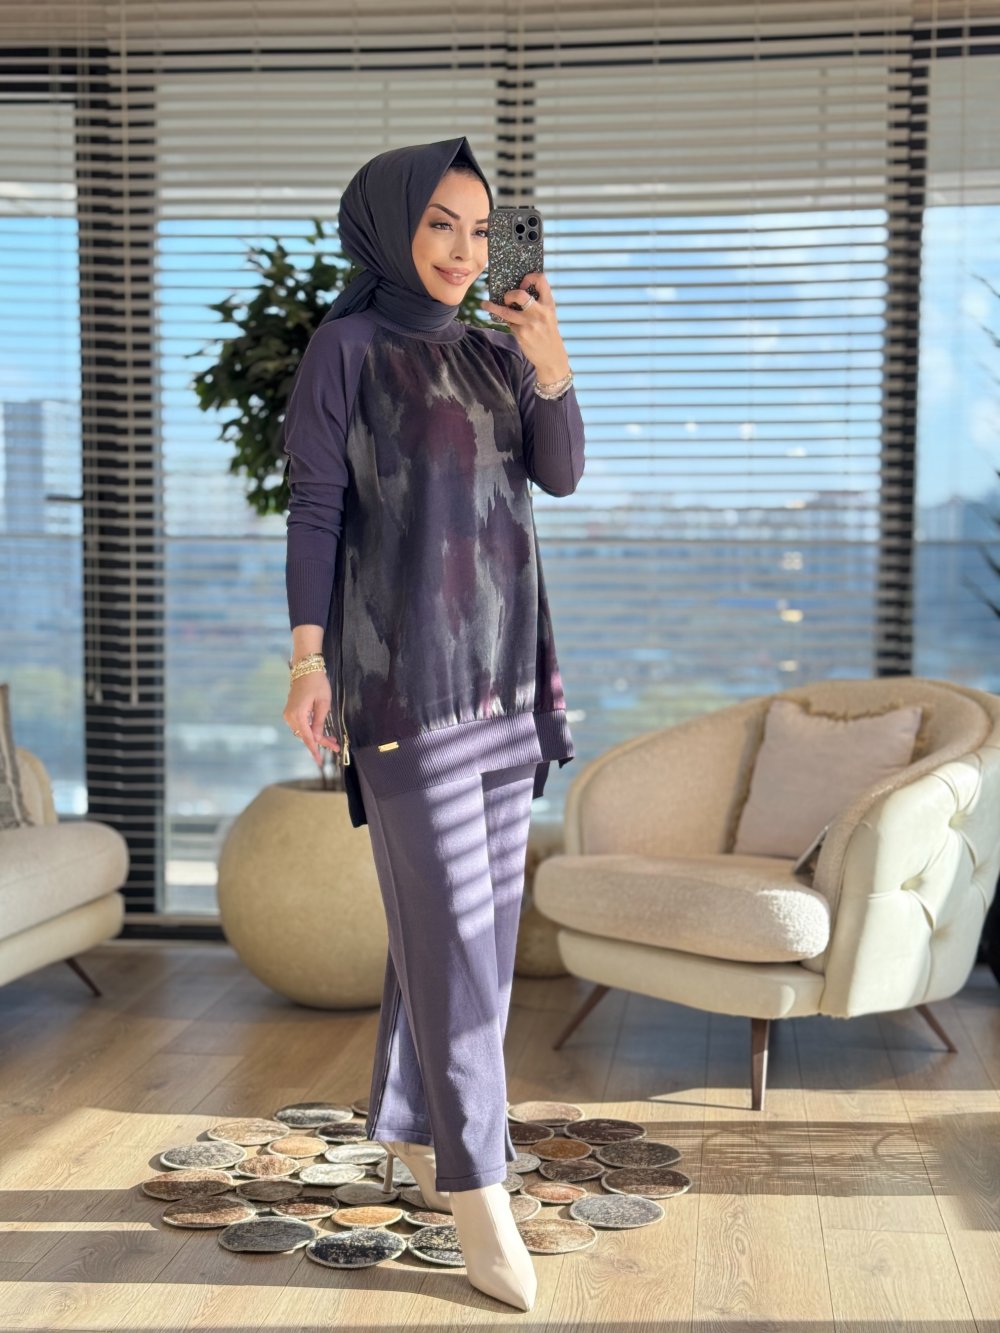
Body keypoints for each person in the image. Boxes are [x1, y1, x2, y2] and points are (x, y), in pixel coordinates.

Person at [280, 136, 585, 1311]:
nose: (463, 250)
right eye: (440, 224)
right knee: (454, 937)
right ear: (390, 226)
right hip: (400, 683)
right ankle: (478, 1184)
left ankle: (412, 1125)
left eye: (480, 229)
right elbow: (316, 507)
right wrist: (307, 661)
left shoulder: (497, 350)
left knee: (474, 940)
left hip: (506, 678)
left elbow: (558, 475)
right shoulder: (347, 348)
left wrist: (550, 365)